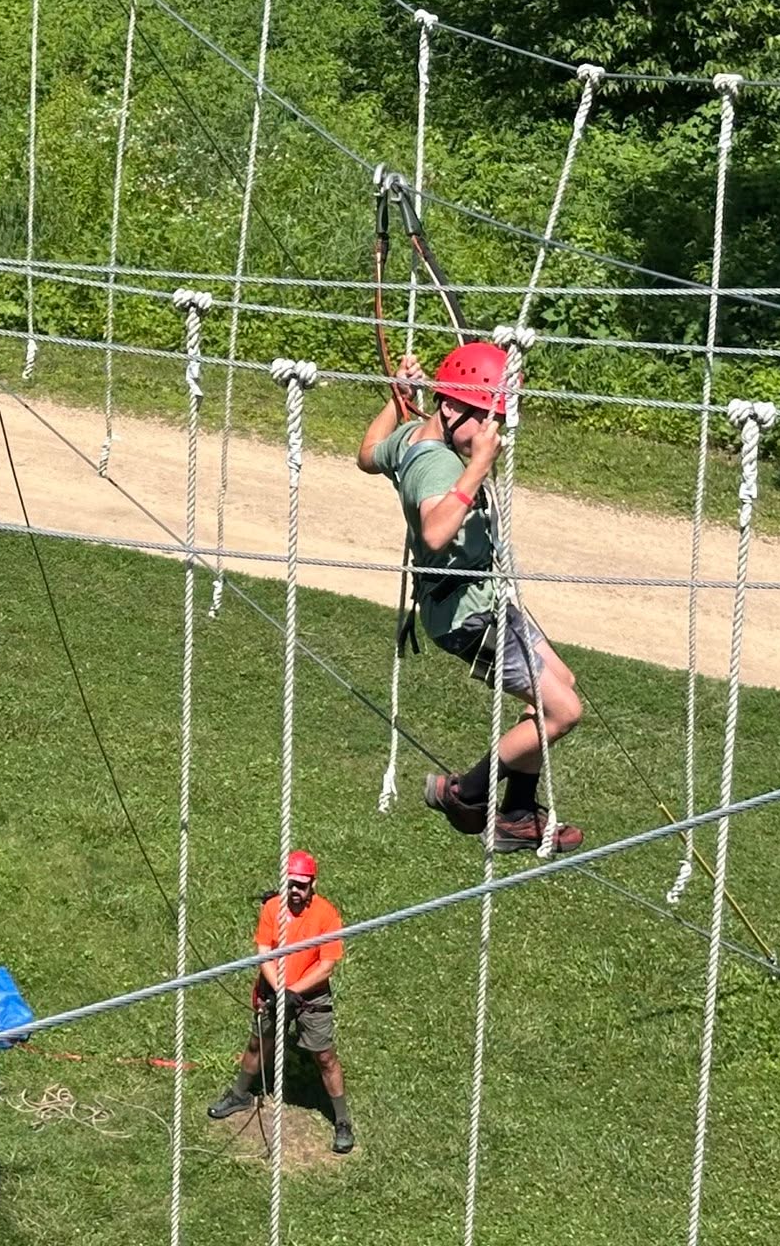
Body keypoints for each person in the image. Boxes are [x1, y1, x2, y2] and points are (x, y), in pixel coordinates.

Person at [357, 344, 584, 853]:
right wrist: (478, 465)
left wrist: (398, 399)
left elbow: (368, 453)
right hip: (468, 613)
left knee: (558, 688)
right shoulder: (438, 465)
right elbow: (437, 534)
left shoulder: (411, 437)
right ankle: (467, 793)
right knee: (563, 712)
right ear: (452, 407)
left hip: (476, 602)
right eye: (483, 418)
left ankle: (519, 812)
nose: (490, 432)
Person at [207, 851, 355, 1155]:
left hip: (311, 996)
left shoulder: (327, 915)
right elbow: (264, 950)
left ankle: (341, 1120)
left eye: (301, 885)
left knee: (324, 1056)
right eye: (290, 884)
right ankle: (240, 1095)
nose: (295, 891)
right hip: (274, 988)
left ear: (313, 884)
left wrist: (293, 992)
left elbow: (326, 966)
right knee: (257, 1044)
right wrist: (279, 990)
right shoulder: (273, 908)